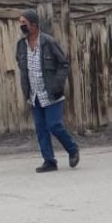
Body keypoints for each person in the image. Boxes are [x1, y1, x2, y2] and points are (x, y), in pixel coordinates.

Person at [15, 9, 79, 173]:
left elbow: (63, 65)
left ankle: (72, 150)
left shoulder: (48, 43)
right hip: (34, 95)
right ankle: (49, 161)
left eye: (24, 24)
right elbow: (22, 67)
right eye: (20, 23)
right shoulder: (21, 46)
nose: (21, 26)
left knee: (54, 125)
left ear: (34, 25)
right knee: (41, 129)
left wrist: (57, 84)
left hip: (51, 93)